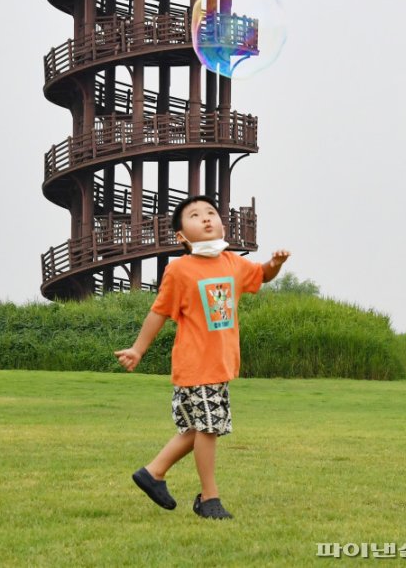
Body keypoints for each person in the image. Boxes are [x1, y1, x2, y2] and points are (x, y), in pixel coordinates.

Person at [115, 195, 290, 520]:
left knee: (200, 428)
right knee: (208, 429)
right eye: (195, 215)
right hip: (196, 364)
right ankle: (209, 499)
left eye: (211, 213)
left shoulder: (232, 263)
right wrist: (138, 349)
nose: (207, 218)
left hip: (220, 364)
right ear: (181, 237)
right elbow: (159, 312)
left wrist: (275, 265)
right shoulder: (179, 270)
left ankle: (153, 473)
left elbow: (260, 275)